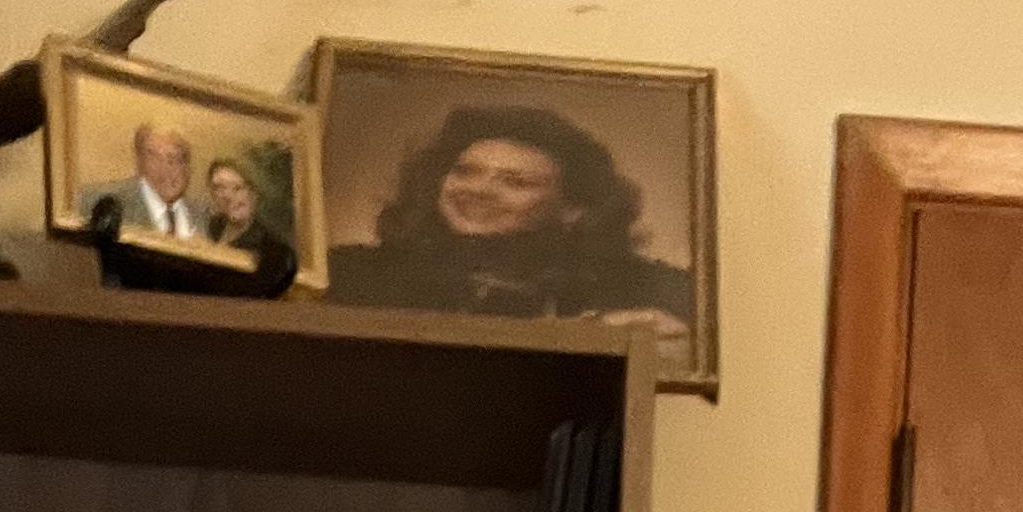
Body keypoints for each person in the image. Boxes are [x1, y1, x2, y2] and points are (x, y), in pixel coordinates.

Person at [326, 101, 695, 353]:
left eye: (515, 182)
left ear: (574, 209)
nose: (479, 190)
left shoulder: (647, 289)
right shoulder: (348, 274)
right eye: (464, 171)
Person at [86, 120, 204, 238]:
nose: (165, 168)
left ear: (188, 168)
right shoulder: (106, 203)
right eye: (155, 157)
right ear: (139, 161)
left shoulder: (204, 216)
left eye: (175, 159)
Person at [201, 153, 298, 288]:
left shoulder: (270, 249)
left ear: (254, 193)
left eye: (237, 188)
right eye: (220, 188)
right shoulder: (210, 226)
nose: (228, 196)